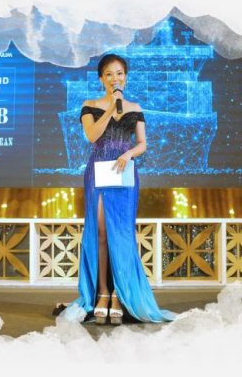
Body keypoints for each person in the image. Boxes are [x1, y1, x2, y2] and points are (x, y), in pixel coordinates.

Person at [64, 54, 176, 325]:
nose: (115, 78)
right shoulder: (90, 105)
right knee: (101, 232)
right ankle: (102, 292)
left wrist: (129, 153)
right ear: (101, 78)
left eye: (120, 73)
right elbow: (92, 135)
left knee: (122, 233)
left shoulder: (135, 107)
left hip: (124, 172)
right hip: (98, 170)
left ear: (125, 77)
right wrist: (111, 107)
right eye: (109, 74)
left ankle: (119, 294)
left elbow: (142, 143)